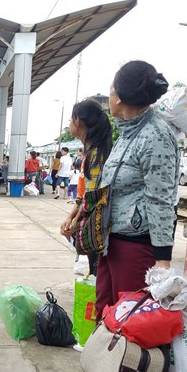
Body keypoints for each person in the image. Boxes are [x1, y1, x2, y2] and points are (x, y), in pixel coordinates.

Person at [61, 60, 178, 372]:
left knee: (136, 323)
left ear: (121, 96)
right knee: (107, 308)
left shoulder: (157, 136)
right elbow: (104, 187)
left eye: (111, 89)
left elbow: (162, 202)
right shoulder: (126, 131)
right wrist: (78, 216)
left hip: (138, 244)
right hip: (113, 238)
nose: (108, 96)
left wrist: (162, 261)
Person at [60, 98, 113, 277]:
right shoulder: (91, 153)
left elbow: (93, 198)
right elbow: (84, 195)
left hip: (97, 228)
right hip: (93, 222)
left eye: (70, 119)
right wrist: (71, 217)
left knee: (98, 275)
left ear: (77, 121)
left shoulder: (96, 155)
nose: (69, 124)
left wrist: (74, 224)